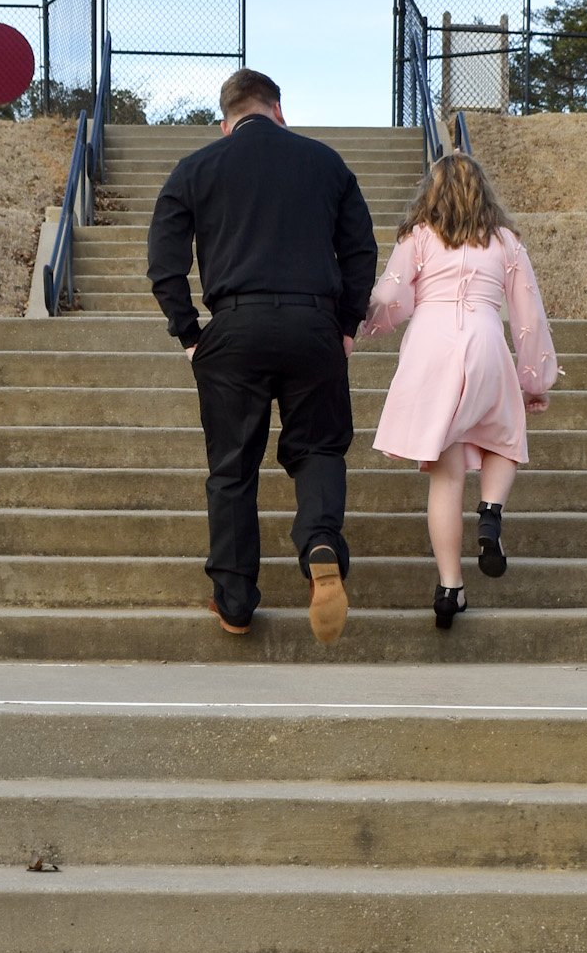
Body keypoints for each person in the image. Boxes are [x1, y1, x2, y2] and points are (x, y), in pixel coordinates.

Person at [147, 69, 377, 643]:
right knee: (320, 446)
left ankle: (235, 601)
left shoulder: (197, 167)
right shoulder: (326, 163)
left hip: (233, 326)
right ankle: (321, 542)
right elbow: (360, 249)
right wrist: (346, 323)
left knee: (232, 467)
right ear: (279, 110)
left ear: (226, 124)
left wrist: (189, 332)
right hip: (313, 323)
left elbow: (163, 260)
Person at [360, 150, 558, 629]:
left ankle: (450, 587)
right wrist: (534, 380)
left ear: (433, 191)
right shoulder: (506, 241)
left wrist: (377, 322)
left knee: (446, 476)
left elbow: (388, 296)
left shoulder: (419, 236)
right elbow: (528, 316)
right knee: (505, 434)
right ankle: (490, 513)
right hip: (487, 337)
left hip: (432, 345)